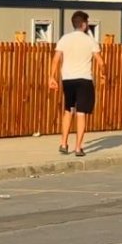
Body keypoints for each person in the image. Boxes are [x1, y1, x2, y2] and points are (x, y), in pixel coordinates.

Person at [47, 11, 106, 156]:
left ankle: (63, 143)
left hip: (68, 80)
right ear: (84, 24)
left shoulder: (64, 39)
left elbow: (56, 59)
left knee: (68, 111)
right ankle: (78, 147)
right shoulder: (90, 41)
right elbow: (101, 62)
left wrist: (51, 77)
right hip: (84, 80)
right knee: (81, 114)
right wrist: (103, 74)